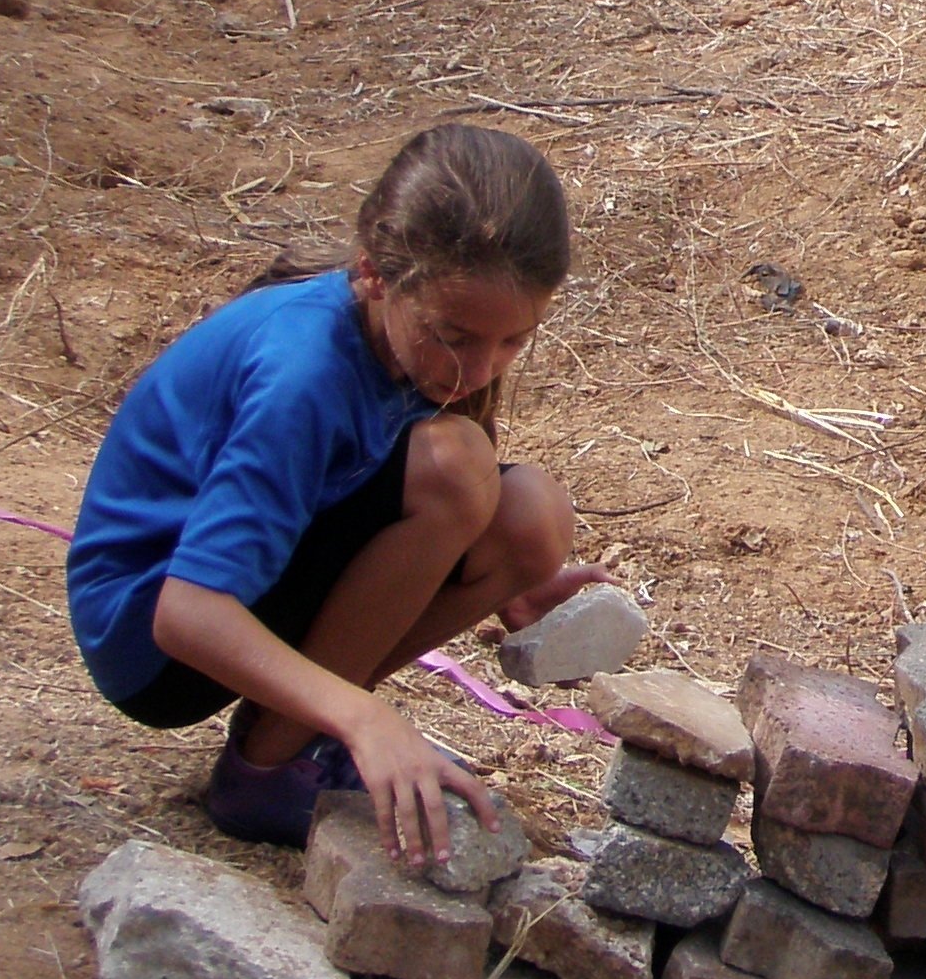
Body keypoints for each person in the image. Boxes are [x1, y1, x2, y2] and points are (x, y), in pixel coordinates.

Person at [66, 125, 605, 860]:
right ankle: (266, 769)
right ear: (376, 274)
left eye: (512, 341)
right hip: (149, 632)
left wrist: (501, 581)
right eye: (455, 337)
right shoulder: (303, 376)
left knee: (531, 517)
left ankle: (291, 733)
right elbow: (184, 614)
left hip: (247, 582)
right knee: (454, 466)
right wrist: (361, 716)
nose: (480, 369)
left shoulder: (423, 334)